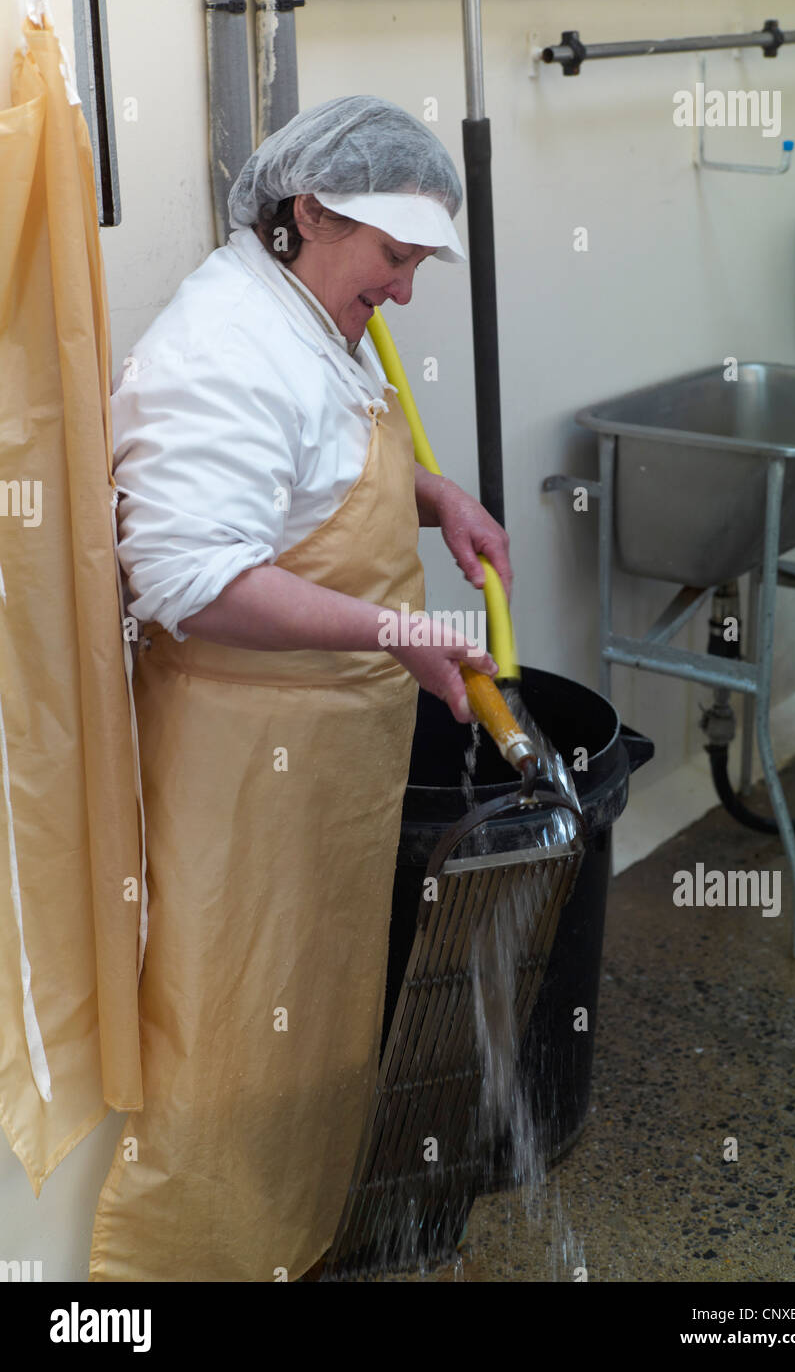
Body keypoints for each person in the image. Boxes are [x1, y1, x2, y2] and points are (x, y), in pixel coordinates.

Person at [88, 95, 513, 1282]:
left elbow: (310, 461)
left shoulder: (300, 317)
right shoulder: (221, 344)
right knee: (226, 1049)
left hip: (327, 775)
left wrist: (437, 497)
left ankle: (287, 1250)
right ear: (311, 211)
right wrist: (398, 625)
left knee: (303, 1033)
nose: (407, 292)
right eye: (393, 257)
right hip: (243, 780)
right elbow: (186, 576)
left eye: (420, 262)